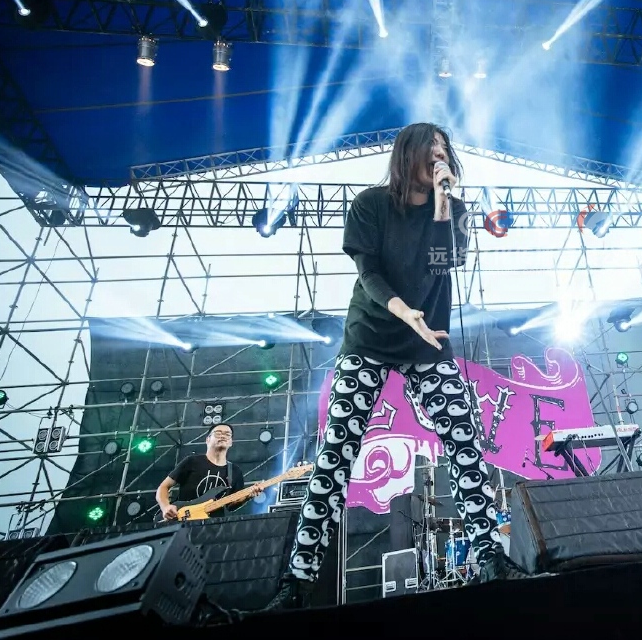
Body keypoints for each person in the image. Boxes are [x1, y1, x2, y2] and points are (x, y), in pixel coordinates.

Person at [277, 123, 525, 606]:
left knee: (464, 442)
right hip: (371, 335)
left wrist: (443, 204)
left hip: (427, 341)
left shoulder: (454, 210)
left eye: (444, 150)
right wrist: (403, 311)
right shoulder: (370, 205)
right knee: (336, 453)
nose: (439, 156)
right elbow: (368, 273)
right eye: (431, 148)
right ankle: (297, 582)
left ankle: (490, 558)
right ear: (407, 154)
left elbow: (443, 261)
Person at [155, 423, 264, 519]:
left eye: (227, 434)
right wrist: (165, 507)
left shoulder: (235, 471)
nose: (223, 436)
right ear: (207, 439)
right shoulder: (192, 461)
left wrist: (248, 496)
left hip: (212, 526)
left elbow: (230, 506)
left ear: (231, 442)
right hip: (183, 519)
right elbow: (164, 486)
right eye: (218, 433)